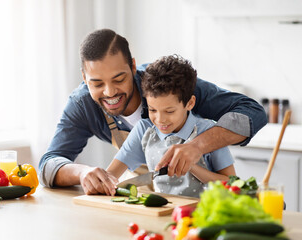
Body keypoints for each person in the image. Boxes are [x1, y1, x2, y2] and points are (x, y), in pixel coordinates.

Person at [38, 28, 267, 196]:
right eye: (97, 83)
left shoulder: (168, 85)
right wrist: (82, 173)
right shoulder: (82, 104)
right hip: (149, 194)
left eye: (119, 79)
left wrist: (197, 146)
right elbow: (48, 164)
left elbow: (253, 112)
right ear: (84, 78)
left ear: (133, 66)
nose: (109, 92)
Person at [106, 55, 236, 198]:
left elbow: (232, 184)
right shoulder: (144, 129)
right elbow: (109, 176)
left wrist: (191, 167)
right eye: (152, 110)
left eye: (169, 111)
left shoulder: (209, 132)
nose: (160, 120)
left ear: (190, 103)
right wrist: (93, 177)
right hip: (163, 213)